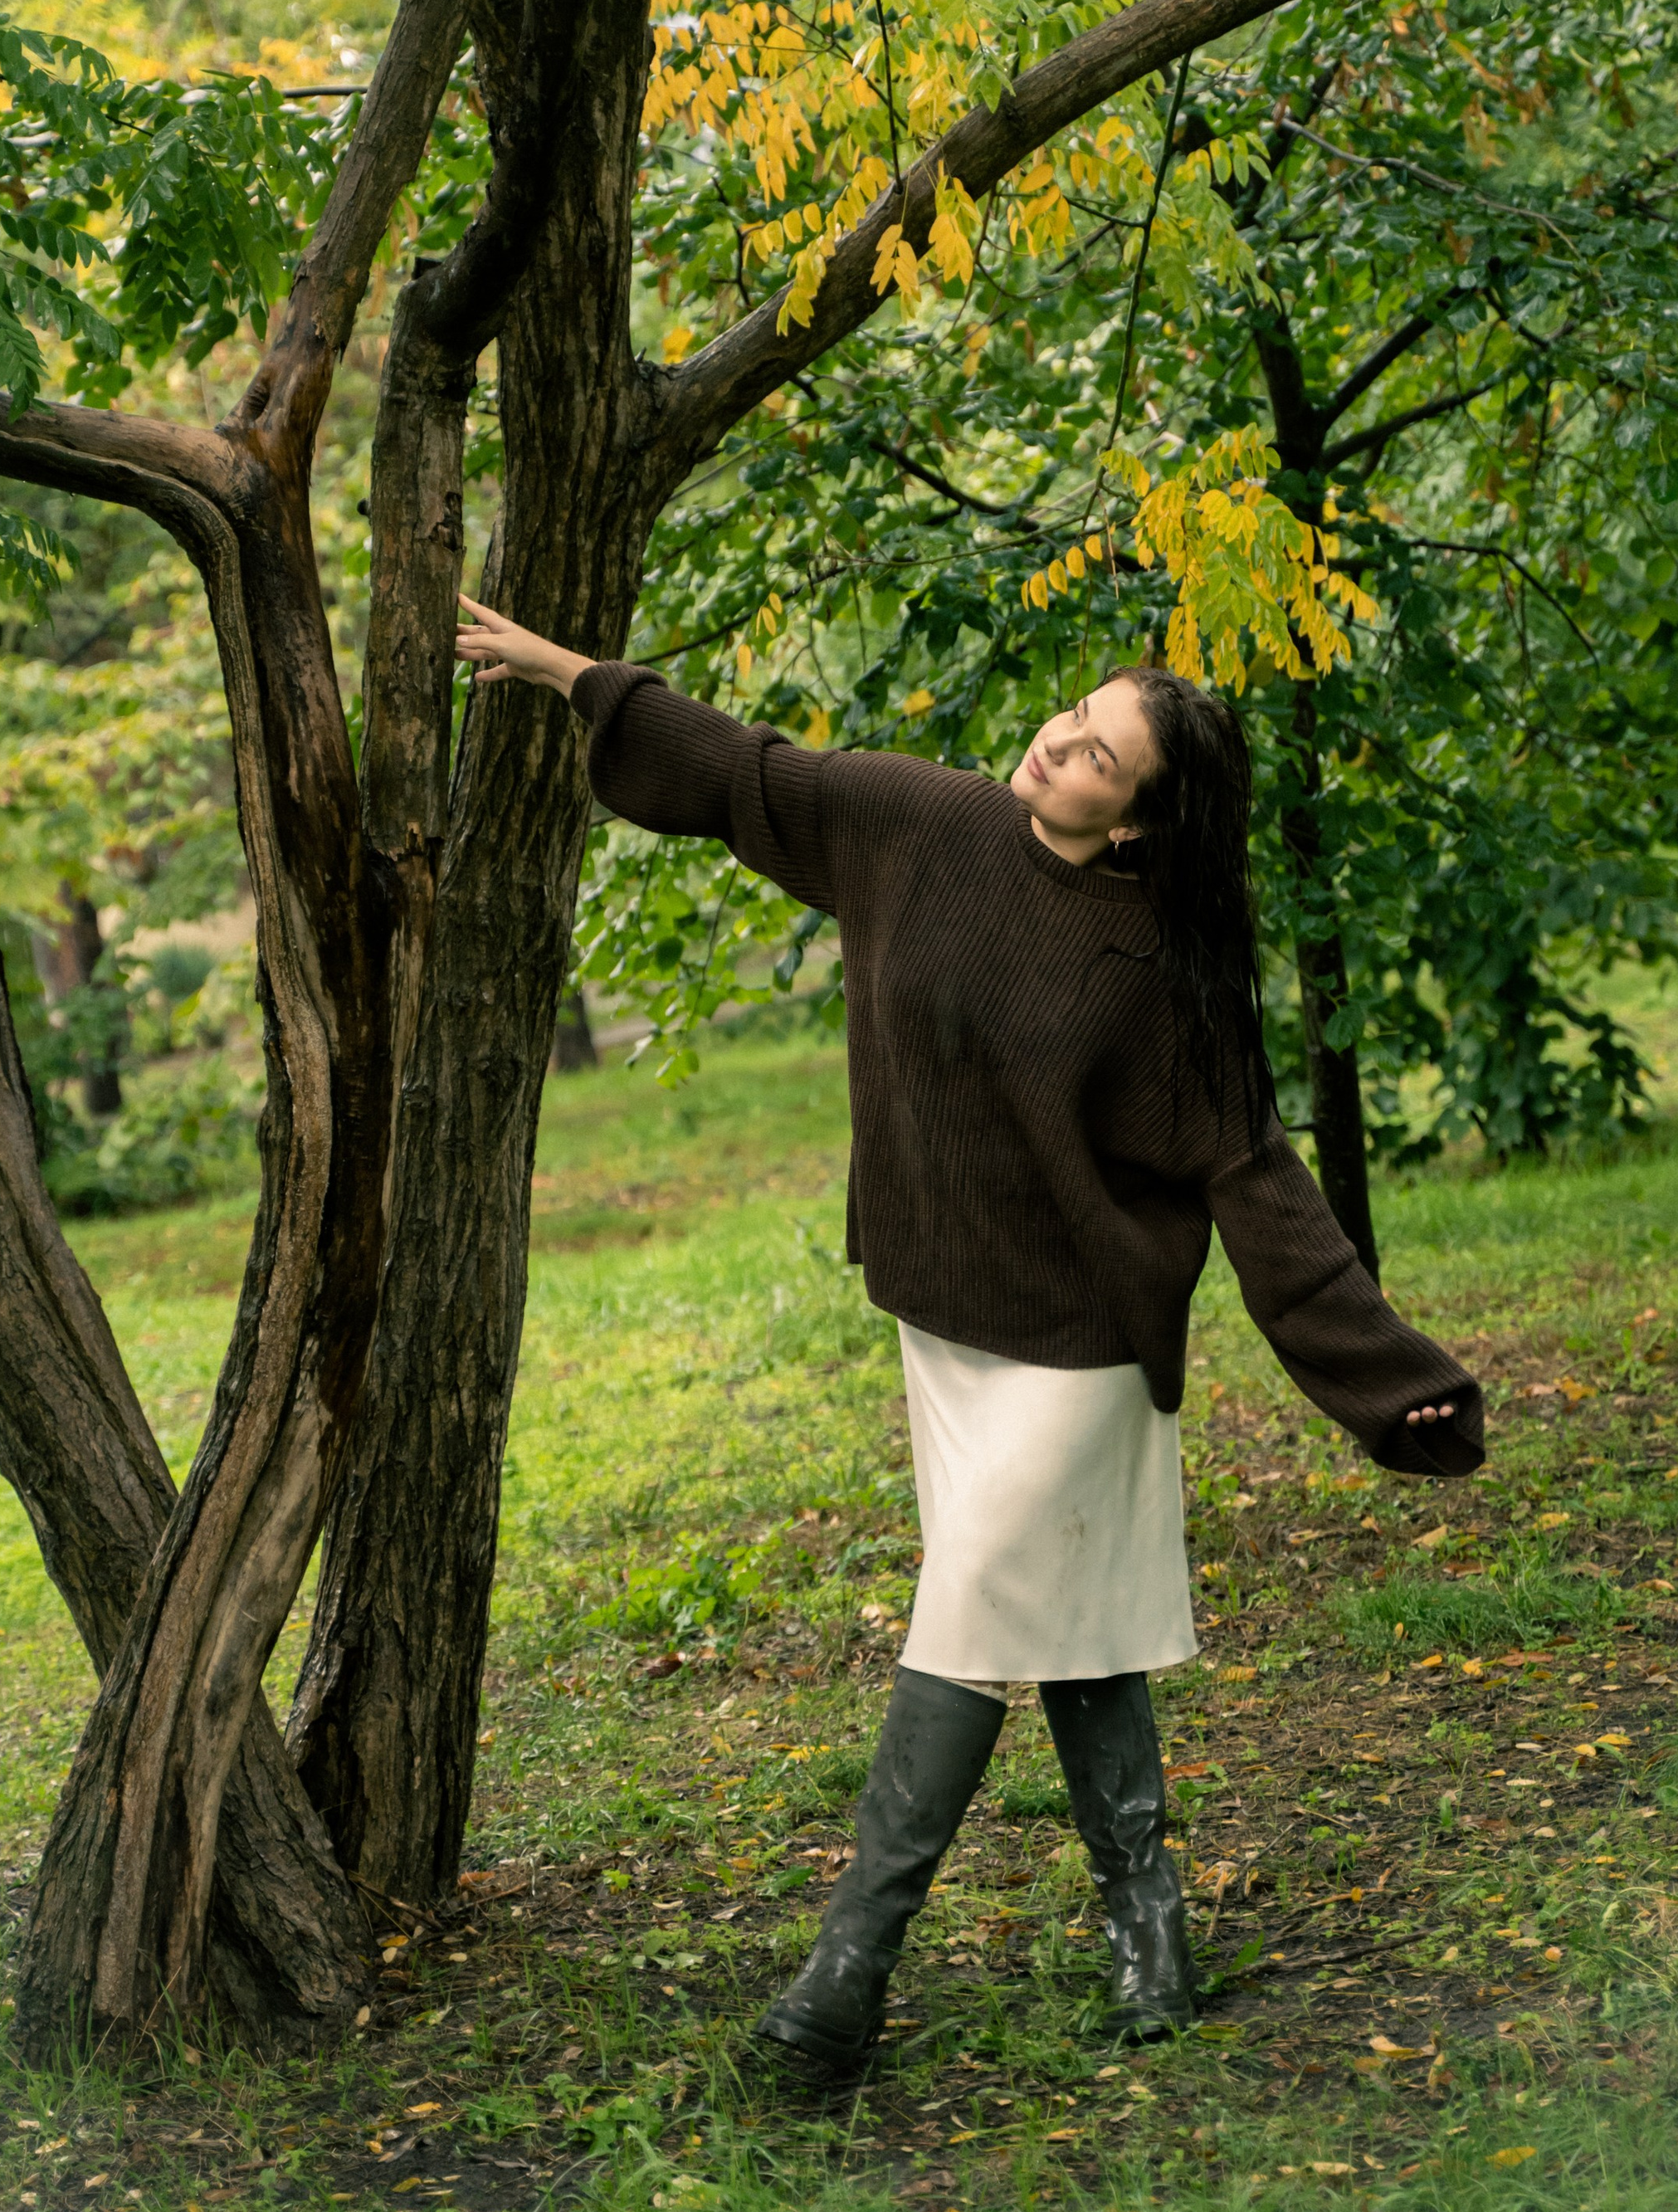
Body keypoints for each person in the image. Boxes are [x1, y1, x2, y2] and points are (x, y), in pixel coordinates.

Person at [454, 598, 1485, 2068]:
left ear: (1136, 824)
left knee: (968, 1620)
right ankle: (1152, 1947)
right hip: (950, 1321)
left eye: (1094, 760)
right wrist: (577, 679)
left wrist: (1395, 1386)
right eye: (1069, 722)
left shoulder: (1155, 974)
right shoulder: (914, 825)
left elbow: (1255, 1181)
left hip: (1086, 1347)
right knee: (1067, 1636)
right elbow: (751, 775)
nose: (1051, 748)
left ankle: (841, 1988)